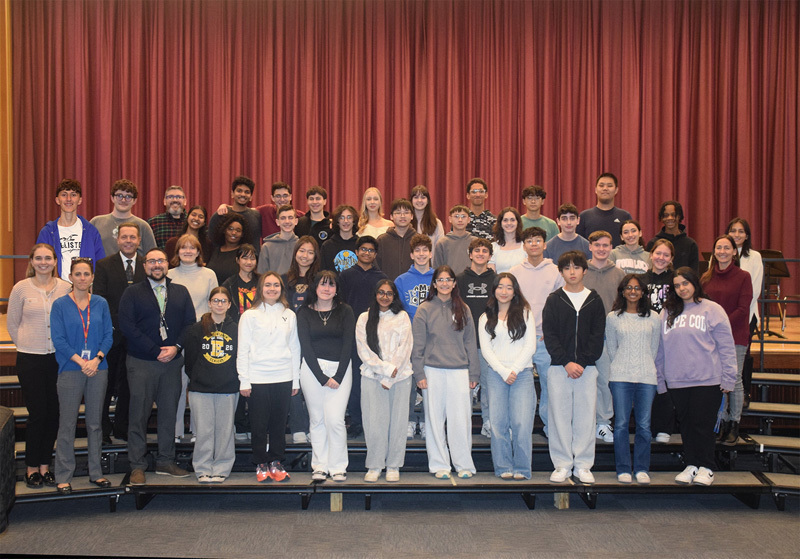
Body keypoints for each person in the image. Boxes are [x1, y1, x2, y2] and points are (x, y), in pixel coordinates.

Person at [119, 248, 197, 485]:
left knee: (168, 414)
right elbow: (127, 326)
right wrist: (155, 351)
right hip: (141, 362)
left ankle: (165, 460)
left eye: (160, 261)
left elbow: (189, 323)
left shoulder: (180, 292)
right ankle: (137, 465)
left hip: (172, 363)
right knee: (138, 414)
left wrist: (176, 348)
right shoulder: (132, 293)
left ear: (167, 264)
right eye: (151, 261)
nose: (156, 265)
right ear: (144, 266)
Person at [657, 267, 736, 486]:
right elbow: (660, 350)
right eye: (677, 285)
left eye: (685, 283)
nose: (682, 288)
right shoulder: (668, 312)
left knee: (703, 424)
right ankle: (691, 464)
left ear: (694, 283)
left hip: (707, 379)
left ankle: (706, 467)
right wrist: (660, 378)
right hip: (677, 380)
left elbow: (726, 347)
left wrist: (729, 378)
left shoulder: (712, 310)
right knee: (687, 424)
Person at [7, 244, 71, 488]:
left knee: (54, 413)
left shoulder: (66, 288)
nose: (43, 262)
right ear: (32, 261)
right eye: (38, 258)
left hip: (58, 358)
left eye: (48, 258)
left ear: (55, 261)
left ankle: (46, 465)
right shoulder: (20, 288)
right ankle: (31, 467)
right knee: (37, 414)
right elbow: (13, 324)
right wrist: (27, 342)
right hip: (30, 358)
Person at [50, 258, 114, 494]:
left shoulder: (100, 303)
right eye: (78, 274)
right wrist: (81, 362)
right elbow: (59, 340)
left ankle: (96, 473)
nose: (82, 278)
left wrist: (96, 359)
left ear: (92, 277)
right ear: (70, 277)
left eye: (86, 274)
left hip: (98, 368)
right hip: (70, 369)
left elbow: (108, 335)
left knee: (95, 424)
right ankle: (63, 475)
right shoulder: (59, 305)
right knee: (67, 424)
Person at [542, 251, 606, 485]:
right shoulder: (554, 299)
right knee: (558, 417)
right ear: (561, 272)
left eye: (576, 267)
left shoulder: (594, 299)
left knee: (585, 418)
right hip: (560, 368)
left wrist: (583, 362)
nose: (572, 272)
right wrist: (566, 362)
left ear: (584, 270)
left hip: (587, 369)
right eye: (567, 268)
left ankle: (583, 465)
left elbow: (597, 335)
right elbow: (550, 335)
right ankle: (562, 464)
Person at [411, 266, 480, 479]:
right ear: (434, 284)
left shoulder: (464, 308)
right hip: (432, 371)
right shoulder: (424, 309)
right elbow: (418, 345)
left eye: (448, 279)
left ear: (454, 283)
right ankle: (440, 464)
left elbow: (470, 342)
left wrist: (474, 374)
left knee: (461, 420)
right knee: (434, 419)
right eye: (440, 280)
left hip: (460, 371)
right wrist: (419, 374)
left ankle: (463, 464)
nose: (444, 283)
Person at [238, 274, 301, 482]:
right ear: (260, 288)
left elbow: (295, 348)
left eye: (276, 285)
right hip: (257, 377)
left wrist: (295, 380)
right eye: (268, 285)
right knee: (258, 424)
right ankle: (260, 462)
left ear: (281, 289)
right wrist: (244, 380)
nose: (272, 288)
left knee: (278, 423)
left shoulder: (289, 314)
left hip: (283, 376)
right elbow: (243, 349)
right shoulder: (249, 315)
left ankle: (276, 461)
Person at [297, 271, 355, 482]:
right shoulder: (303, 312)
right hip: (312, 371)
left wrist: (338, 376)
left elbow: (349, 344)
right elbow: (305, 347)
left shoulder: (345, 311)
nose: (327, 288)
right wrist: (322, 378)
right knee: (317, 419)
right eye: (323, 284)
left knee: (335, 420)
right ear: (315, 287)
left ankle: (338, 465)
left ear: (337, 289)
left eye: (331, 285)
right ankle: (320, 465)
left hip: (340, 369)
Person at [478, 273, 537, 480]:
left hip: (522, 374)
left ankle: (522, 468)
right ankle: (503, 467)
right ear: (494, 290)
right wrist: (503, 372)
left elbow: (530, 346)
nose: (504, 292)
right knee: (498, 423)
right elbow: (486, 350)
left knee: (521, 423)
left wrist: (514, 370)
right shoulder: (485, 317)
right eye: (500, 287)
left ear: (515, 291)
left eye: (509, 287)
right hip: (496, 375)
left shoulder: (526, 313)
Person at [355, 280, 414, 482]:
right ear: (375, 294)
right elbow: (363, 350)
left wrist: (390, 376)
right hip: (372, 378)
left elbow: (405, 349)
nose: (385, 297)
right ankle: (375, 464)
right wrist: (384, 371)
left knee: (398, 423)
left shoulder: (402, 316)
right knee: (373, 423)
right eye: (381, 292)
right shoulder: (364, 318)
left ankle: (393, 465)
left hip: (400, 378)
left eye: (389, 293)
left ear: (395, 296)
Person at [93, 222, 147, 443]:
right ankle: (103, 430)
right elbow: (100, 299)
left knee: (130, 386)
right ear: (117, 240)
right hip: (111, 336)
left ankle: (123, 428)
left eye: (132, 237)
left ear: (139, 240)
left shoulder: (147, 265)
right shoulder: (105, 265)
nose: (128, 241)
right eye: (124, 237)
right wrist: (120, 324)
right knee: (105, 386)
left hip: (138, 339)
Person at [605, 274, 660, 485]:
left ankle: (641, 468)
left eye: (637, 288)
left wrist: (642, 365)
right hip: (620, 376)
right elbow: (612, 348)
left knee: (644, 426)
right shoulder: (613, 318)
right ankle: (623, 469)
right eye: (628, 287)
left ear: (644, 292)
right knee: (620, 425)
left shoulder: (653, 317)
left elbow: (653, 349)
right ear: (622, 291)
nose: (633, 291)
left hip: (646, 377)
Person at [509, 227, 565, 438]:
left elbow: (561, 306)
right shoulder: (514, 272)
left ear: (544, 244)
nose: (534, 244)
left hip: (545, 339)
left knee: (550, 386)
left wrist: (550, 333)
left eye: (538, 240)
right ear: (524, 246)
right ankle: (518, 429)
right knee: (519, 387)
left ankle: (551, 429)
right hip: (519, 340)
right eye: (529, 241)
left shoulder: (556, 272)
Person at [183, 287, 239, 483]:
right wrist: (198, 378)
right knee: (204, 430)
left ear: (230, 305)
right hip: (201, 388)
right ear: (209, 303)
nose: (219, 304)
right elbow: (189, 361)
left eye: (224, 301)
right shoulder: (197, 329)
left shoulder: (236, 328)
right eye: (216, 300)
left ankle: (222, 467)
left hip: (228, 388)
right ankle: (203, 468)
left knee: (225, 431)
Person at [700, 234, 752, 445]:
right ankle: (719, 422)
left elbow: (743, 308)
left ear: (733, 252)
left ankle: (734, 423)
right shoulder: (706, 277)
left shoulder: (743, 276)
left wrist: (720, 325)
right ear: (714, 252)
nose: (722, 251)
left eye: (726, 248)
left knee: (734, 379)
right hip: (710, 336)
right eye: (718, 248)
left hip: (735, 335)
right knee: (716, 380)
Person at [167, 234, 219, 442]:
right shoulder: (168, 274)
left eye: (192, 248)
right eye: (183, 248)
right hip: (176, 337)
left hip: (202, 336)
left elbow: (214, 304)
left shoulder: (208, 274)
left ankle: (199, 431)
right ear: (177, 251)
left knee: (199, 387)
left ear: (198, 252)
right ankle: (176, 431)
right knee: (177, 386)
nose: (187, 251)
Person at [339, 235, 389, 437]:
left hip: (376, 334)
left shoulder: (382, 278)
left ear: (375, 254)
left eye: (371, 250)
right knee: (356, 380)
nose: (367, 253)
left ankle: (376, 422)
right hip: (351, 334)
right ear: (357, 252)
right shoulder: (346, 275)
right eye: (363, 249)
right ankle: (357, 421)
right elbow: (340, 303)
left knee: (375, 376)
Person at [584, 230, 626, 444]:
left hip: (608, 336)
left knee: (604, 380)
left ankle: (602, 422)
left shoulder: (619, 275)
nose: (601, 249)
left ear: (611, 247)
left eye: (605, 245)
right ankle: (584, 423)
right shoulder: (581, 272)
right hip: (583, 335)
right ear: (590, 247)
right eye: (597, 245)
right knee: (583, 380)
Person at [394, 234, 435, 439]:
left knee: (431, 381)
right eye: (417, 250)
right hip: (409, 339)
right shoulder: (401, 280)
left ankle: (430, 421)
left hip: (433, 339)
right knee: (409, 383)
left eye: (424, 250)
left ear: (430, 253)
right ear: (411, 254)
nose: (421, 254)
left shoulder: (438, 278)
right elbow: (398, 311)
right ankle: (409, 420)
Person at [456, 238, 496, 438]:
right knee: (464, 389)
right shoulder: (460, 279)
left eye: (485, 251)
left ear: (490, 255)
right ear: (470, 254)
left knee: (489, 386)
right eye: (477, 250)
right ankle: (462, 426)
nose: (480, 253)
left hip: (490, 342)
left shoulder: (496, 280)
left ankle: (488, 422)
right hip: (464, 343)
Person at [282, 236, 320, 443]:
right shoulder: (283, 279)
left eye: (310, 252)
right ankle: (298, 427)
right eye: (302, 251)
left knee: (314, 383)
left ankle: (315, 426)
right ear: (295, 253)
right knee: (292, 382)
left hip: (314, 339)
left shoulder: (320, 280)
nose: (305, 256)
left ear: (315, 256)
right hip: (289, 340)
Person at [220, 243, 259, 440]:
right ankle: (239, 424)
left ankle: (254, 424)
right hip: (236, 338)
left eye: (252, 258)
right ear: (237, 260)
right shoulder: (229, 284)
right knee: (238, 382)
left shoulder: (262, 282)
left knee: (257, 384)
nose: (248, 262)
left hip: (260, 340)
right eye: (244, 257)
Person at [641, 239, 677, 444]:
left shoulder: (676, 280)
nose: (661, 258)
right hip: (646, 336)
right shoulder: (641, 279)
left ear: (671, 258)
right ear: (651, 254)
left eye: (666, 255)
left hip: (669, 337)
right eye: (658, 253)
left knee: (664, 381)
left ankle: (664, 427)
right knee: (647, 381)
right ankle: (645, 425)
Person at [36, 179, 105, 281]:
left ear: (80, 200)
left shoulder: (91, 232)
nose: (69, 199)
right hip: (55, 290)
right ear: (57, 200)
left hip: (84, 290)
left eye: (73, 195)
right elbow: (39, 263)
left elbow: (100, 264)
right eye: (64, 195)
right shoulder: (47, 233)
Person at [727, 217, 763, 408]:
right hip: (724, 315)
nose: (737, 235)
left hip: (746, 314)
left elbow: (754, 289)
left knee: (743, 356)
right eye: (733, 231)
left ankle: (744, 392)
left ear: (747, 235)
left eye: (741, 231)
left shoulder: (754, 257)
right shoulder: (721, 253)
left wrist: (739, 310)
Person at [90, 179, 157, 257]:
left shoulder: (143, 226)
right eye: (119, 196)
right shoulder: (96, 222)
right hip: (101, 269)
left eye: (128, 196)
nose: (123, 200)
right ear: (112, 198)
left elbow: (152, 256)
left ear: (134, 200)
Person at [576, 172, 632, 247]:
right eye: (601, 185)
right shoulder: (584, 216)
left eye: (609, 186)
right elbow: (579, 245)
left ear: (616, 190)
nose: (605, 188)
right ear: (596, 190)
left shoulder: (624, 216)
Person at [645, 201, 699, 273]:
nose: (669, 218)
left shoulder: (690, 244)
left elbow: (694, 273)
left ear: (679, 216)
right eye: (666, 215)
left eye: (673, 215)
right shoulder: (653, 243)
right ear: (662, 218)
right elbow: (648, 270)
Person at [208, 176, 262, 248]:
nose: (243, 194)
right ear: (232, 193)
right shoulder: (220, 215)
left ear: (251, 197)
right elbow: (211, 242)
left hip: (249, 258)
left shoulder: (256, 216)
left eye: (247, 192)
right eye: (239, 191)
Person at [376, 198, 416, 280]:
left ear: (412, 216)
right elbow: (376, 269)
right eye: (398, 212)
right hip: (388, 290)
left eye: (406, 212)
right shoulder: (382, 241)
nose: (402, 216)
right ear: (391, 216)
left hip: (413, 290)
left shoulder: (419, 240)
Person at [207, 213, 251, 285]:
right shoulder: (214, 250)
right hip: (213, 294)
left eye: (238, 230)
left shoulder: (244, 253)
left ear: (243, 234)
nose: (234, 233)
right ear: (224, 230)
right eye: (230, 229)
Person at [433, 205, 475, 274]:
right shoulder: (442, 243)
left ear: (469, 220)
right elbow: (437, 269)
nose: (460, 220)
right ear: (450, 219)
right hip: (449, 283)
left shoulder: (474, 242)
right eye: (456, 216)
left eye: (463, 216)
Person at [258, 205, 298, 275]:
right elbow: (262, 275)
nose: (287, 221)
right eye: (283, 218)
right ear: (277, 222)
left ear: (296, 221)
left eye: (290, 217)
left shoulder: (301, 245)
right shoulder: (267, 247)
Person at [321, 205, 359, 272]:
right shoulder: (327, 246)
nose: (346, 221)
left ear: (354, 221)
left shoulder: (360, 244)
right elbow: (322, 271)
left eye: (349, 217)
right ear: (337, 221)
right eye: (342, 218)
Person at [489, 207, 526, 273]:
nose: (509, 223)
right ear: (500, 223)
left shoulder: (525, 246)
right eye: (505, 220)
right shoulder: (493, 247)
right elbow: (491, 275)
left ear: (518, 222)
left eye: (512, 220)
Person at [411, 185, 445, 255]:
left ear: (428, 201)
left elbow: (440, 249)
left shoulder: (436, 223)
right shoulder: (406, 223)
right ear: (411, 200)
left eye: (423, 197)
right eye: (416, 197)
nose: (419, 200)